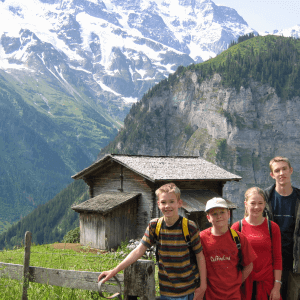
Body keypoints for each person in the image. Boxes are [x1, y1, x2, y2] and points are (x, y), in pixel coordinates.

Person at [98, 182, 207, 299]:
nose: (167, 206)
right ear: (158, 204)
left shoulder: (189, 227)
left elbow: (200, 256)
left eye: (171, 201)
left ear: (179, 203)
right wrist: (114, 271)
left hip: (190, 291)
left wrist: (203, 287)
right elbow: (138, 250)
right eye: (163, 202)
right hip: (166, 292)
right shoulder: (154, 226)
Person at [200, 197, 257, 300]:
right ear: (208, 217)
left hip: (233, 296)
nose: (219, 217)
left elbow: (249, 265)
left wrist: (237, 281)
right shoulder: (202, 238)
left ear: (228, 214)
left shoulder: (238, 238)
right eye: (214, 214)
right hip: (210, 295)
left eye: (222, 212)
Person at [232, 187, 282, 300]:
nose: (256, 207)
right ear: (246, 204)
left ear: (265, 204)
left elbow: (277, 258)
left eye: (260, 203)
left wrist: (277, 287)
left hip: (267, 284)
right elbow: (232, 259)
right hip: (245, 284)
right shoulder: (237, 227)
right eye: (252, 203)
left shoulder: (273, 227)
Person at [263, 156, 300, 299]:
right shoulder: (265, 198)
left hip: (295, 263)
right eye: (277, 170)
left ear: (291, 170)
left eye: (284, 169)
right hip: (270, 262)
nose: (281, 173)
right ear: (272, 175)